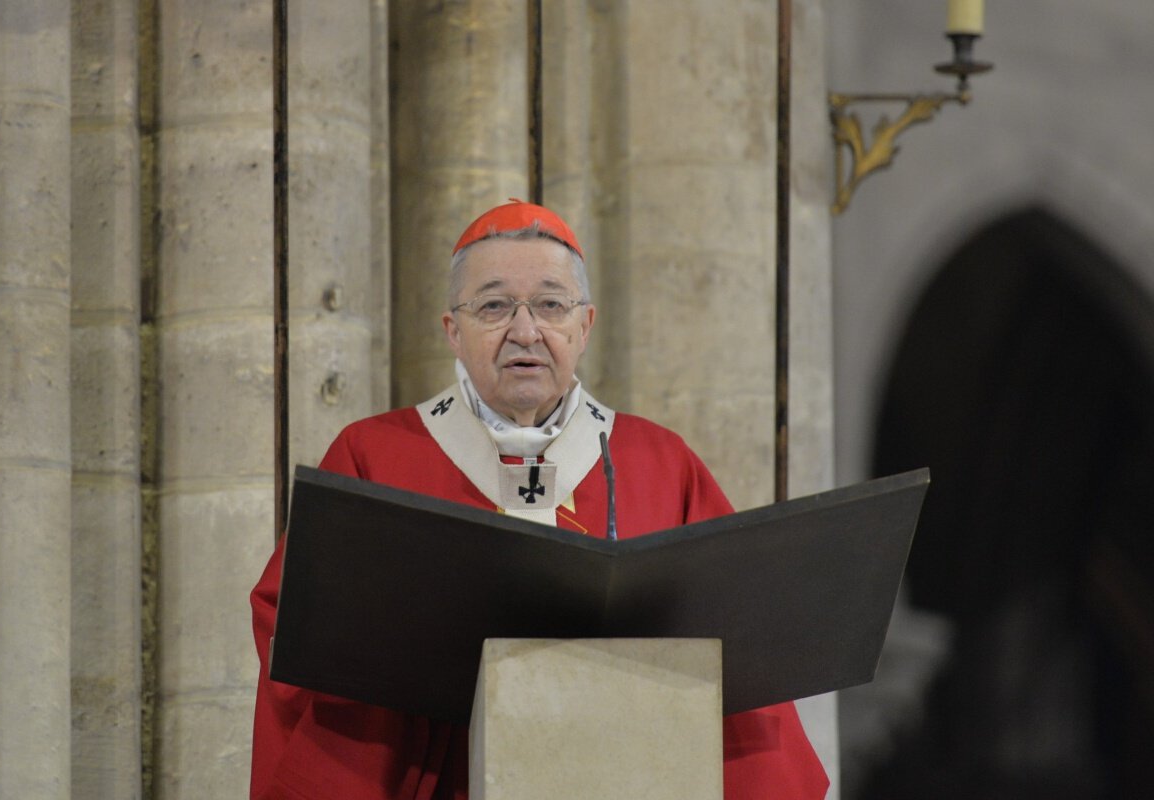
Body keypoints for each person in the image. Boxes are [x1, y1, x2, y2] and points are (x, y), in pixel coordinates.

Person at [249, 200, 829, 799]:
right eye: (494, 305)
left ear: (585, 325)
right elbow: (292, 625)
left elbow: (736, 641)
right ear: (453, 329)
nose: (525, 332)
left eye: (551, 305)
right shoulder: (376, 457)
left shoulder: (659, 463)